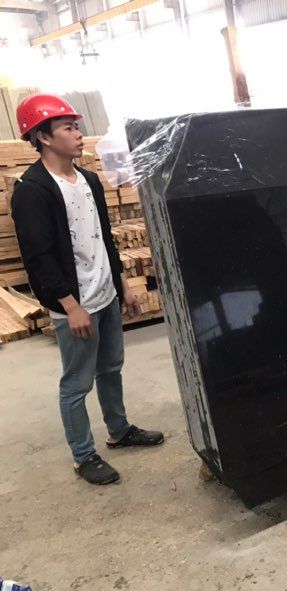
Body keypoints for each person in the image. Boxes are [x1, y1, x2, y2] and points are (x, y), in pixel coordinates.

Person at [11, 94, 164, 486]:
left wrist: (123, 284)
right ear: (44, 137)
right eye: (68, 128)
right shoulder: (33, 190)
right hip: (74, 304)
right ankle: (83, 456)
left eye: (77, 127)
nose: (79, 135)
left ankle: (119, 430)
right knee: (76, 383)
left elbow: (104, 239)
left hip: (106, 293)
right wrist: (69, 305)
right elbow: (39, 257)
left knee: (110, 368)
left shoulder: (89, 180)